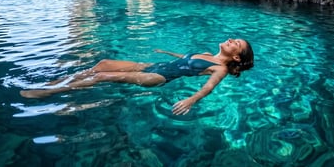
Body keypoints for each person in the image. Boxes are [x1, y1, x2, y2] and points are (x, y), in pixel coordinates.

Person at [20, 38, 254, 115]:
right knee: (103, 64)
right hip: (156, 64)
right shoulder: (206, 54)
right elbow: (185, 58)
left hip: (159, 76)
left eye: (237, 44)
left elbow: (208, 88)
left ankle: (50, 91)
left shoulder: (220, 69)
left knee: (102, 76)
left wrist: (190, 100)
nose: (232, 40)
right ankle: (60, 81)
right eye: (234, 38)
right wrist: (167, 53)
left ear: (236, 58)